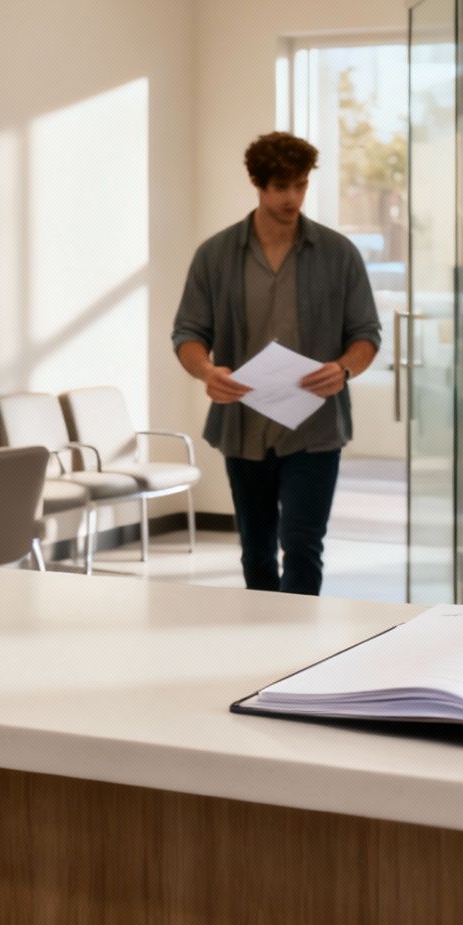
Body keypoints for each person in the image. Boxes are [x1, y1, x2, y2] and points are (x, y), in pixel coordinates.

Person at [172, 132, 381, 595]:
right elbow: (188, 332)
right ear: (258, 184)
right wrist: (207, 372)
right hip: (242, 428)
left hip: (315, 426)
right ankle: (262, 645)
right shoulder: (216, 255)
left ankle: (302, 651)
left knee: (304, 544)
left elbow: (366, 334)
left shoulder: (337, 253)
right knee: (257, 549)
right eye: (282, 186)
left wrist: (343, 369)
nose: (293, 197)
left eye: (301, 185)